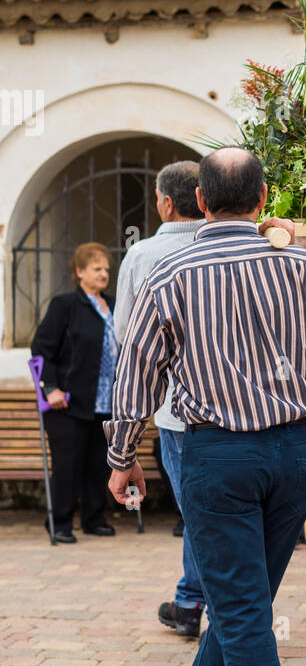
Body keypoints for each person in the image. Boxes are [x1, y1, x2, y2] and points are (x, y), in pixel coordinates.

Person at [106, 148, 306, 666]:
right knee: (242, 604)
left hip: (219, 456)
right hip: (294, 453)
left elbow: (135, 373)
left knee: (240, 607)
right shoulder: (298, 261)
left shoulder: (169, 272)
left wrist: (121, 456)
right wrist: (295, 246)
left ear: (198, 200)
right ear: (263, 194)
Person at [113, 160, 206, 636]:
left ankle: (193, 602)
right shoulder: (245, 245)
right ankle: (198, 600)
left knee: (198, 511)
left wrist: (123, 447)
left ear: (166, 203)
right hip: (254, 410)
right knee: (219, 513)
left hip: (177, 409)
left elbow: (128, 338)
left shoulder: (144, 255)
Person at [30, 242, 119, 543]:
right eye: (97, 269)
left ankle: (94, 518)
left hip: (105, 401)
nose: (104, 274)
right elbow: (41, 349)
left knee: (98, 463)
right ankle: (60, 523)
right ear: (79, 272)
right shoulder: (65, 305)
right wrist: (50, 387)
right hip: (67, 402)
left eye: (106, 269)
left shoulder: (114, 305)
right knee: (67, 465)